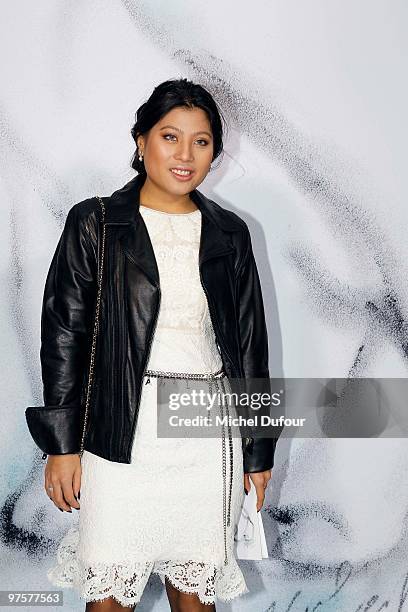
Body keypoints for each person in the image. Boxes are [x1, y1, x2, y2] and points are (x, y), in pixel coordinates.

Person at [26, 78, 280, 611]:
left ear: (215, 151)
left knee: (196, 597)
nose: (185, 155)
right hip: (119, 436)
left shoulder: (230, 234)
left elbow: (251, 346)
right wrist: (61, 444)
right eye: (170, 137)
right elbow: (63, 338)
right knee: (109, 596)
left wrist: (257, 452)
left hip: (208, 438)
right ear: (140, 141)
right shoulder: (95, 223)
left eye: (202, 141)